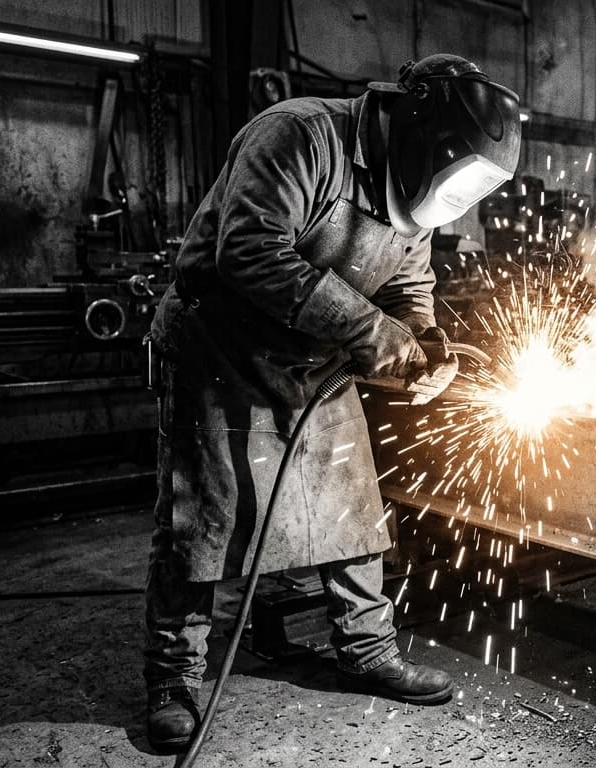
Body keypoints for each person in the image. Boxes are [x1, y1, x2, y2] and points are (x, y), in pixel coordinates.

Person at [141, 54, 522, 753]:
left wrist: (427, 338)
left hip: (314, 358)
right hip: (219, 352)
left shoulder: (418, 190)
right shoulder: (299, 135)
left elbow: (411, 282)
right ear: (412, 129)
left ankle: (368, 650)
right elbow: (248, 250)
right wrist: (370, 331)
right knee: (205, 521)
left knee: (353, 507)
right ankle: (174, 679)